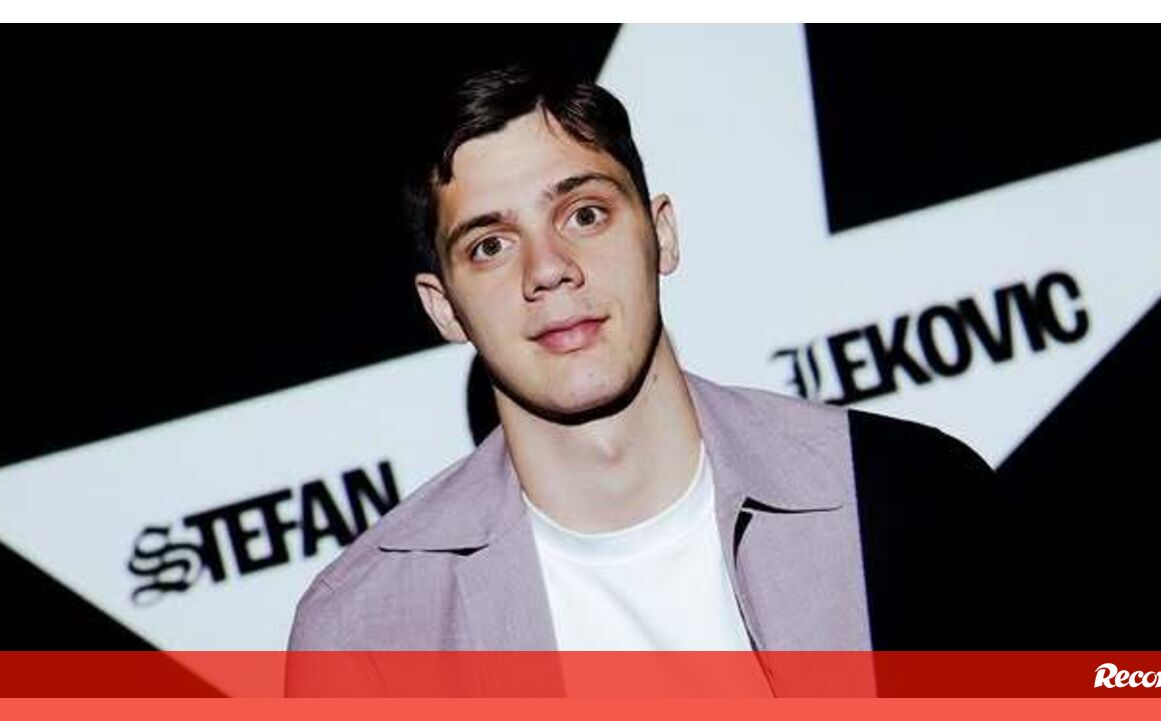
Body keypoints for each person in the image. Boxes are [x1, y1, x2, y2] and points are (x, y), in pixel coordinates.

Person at [287, 66, 1009, 695]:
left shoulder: (911, 494)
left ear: (661, 233)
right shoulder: (367, 639)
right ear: (444, 308)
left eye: (584, 214)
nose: (548, 269)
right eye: (491, 245)